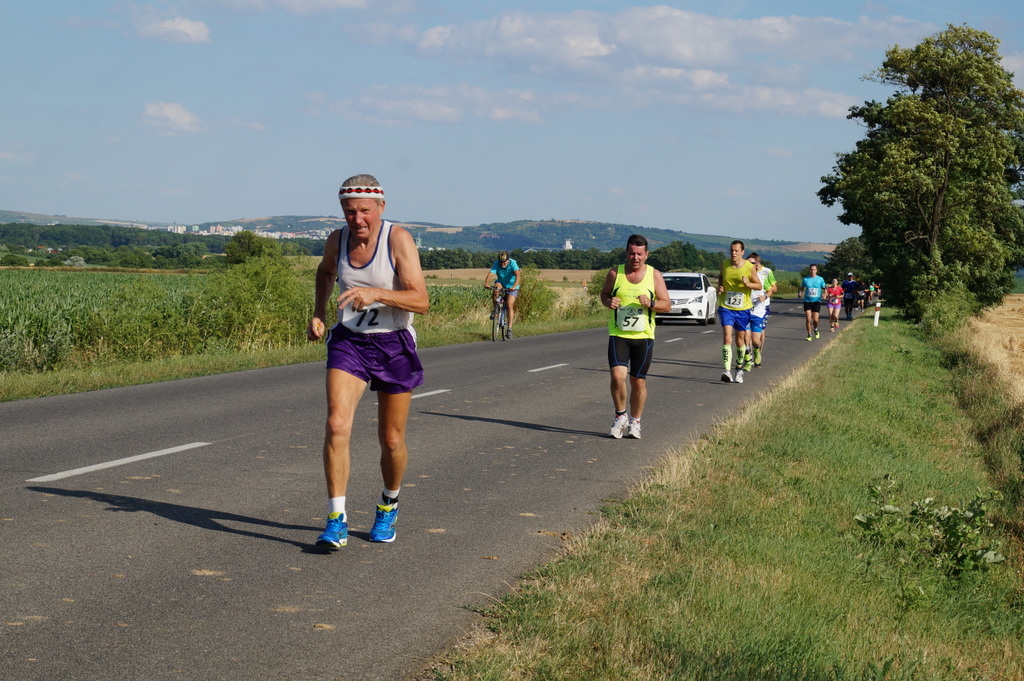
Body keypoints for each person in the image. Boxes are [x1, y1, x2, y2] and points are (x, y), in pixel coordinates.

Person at [307, 174, 430, 549]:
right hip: (350, 343)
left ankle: (388, 505)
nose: (357, 219)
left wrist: (376, 293)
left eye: (364, 211)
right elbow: (326, 271)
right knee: (336, 422)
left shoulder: (398, 239)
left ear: (380, 207)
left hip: (393, 344)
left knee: (391, 439)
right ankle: (336, 519)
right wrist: (318, 312)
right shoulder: (337, 240)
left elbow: (421, 301)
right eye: (349, 212)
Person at [599, 234, 671, 439]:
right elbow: (604, 294)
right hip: (619, 334)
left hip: (644, 337)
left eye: (640, 254)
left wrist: (651, 304)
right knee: (617, 376)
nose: (635, 258)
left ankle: (635, 421)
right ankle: (620, 416)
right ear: (626, 253)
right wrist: (608, 301)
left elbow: (667, 305)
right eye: (632, 253)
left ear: (646, 255)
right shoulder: (615, 273)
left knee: (638, 382)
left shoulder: (654, 275)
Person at [717, 240, 762, 383]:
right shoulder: (724, 264)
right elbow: (720, 277)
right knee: (727, 337)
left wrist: (748, 284)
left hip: (743, 309)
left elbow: (759, 285)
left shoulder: (749, 267)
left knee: (739, 340)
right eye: (731, 250)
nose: (733, 253)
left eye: (736, 251)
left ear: (742, 252)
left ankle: (739, 369)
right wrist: (720, 287)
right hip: (726, 307)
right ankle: (727, 371)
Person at [745, 253, 776, 369]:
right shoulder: (743, 275)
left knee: (755, 340)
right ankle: (748, 360)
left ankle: (757, 351)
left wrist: (765, 297)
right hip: (745, 310)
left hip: (758, 311)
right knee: (745, 337)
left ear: (757, 263)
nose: (751, 265)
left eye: (753, 263)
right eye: (748, 263)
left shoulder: (763, 276)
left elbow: (771, 290)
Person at [483, 250, 522, 338]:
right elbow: (490, 275)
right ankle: (495, 309)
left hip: (512, 285)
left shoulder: (513, 263)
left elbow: (518, 275)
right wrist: (486, 283)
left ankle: (509, 329)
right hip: (501, 282)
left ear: (508, 260)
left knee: (509, 305)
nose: (503, 264)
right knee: (496, 289)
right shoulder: (496, 263)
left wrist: (514, 286)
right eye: (501, 262)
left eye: (504, 262)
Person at [798, 264, 826, 341]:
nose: (812, 271)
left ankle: (816, 329)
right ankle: (809, 334)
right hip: (807, 301)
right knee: (808, 319)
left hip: (817, 301)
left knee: (815, 320)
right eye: (811, 269)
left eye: (814, 269)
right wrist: (800, 293)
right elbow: (801, 288)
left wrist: (825, 294)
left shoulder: (820, 279)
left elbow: (824, 288)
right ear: (809, 270)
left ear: (816, 270)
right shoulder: (805, 279)